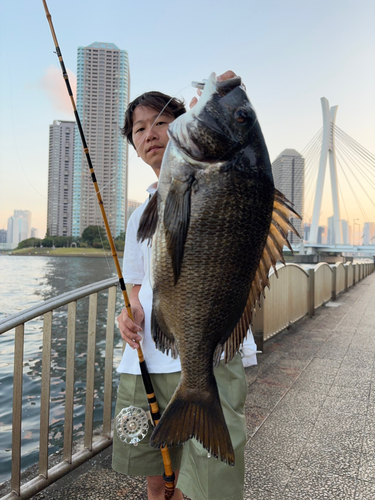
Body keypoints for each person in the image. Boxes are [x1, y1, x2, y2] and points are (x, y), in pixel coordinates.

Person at [112, 71, 258, 500]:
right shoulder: (140, 216)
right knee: (158, 478)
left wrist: (229, 96)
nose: (150, 133)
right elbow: (137, 287)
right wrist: (129, 312)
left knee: (207, 483)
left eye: (160, 121)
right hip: (150, 355)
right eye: (139, 129)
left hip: (210, 350)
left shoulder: (222, 176)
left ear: (183, 123)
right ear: (134, 145)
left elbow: (237, 137)